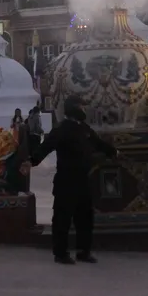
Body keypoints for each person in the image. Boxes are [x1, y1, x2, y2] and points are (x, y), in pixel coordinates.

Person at [25, 96, 117, 264]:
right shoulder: (61, 129)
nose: (84, 109)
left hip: (83, 180)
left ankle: (83, 251)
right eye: (82, 106)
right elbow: (46, 147)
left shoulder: (84, 129)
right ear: (74, 108)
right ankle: (60, 253)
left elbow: (98, 143)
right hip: (66, 180)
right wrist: (32, 161)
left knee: (85, 217)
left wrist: (113, 152)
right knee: (63, 218)